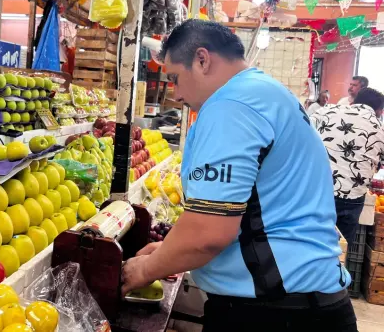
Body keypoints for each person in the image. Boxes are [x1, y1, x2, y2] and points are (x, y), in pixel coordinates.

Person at [121, 20, 355, 331]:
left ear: (202, 60)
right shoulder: (268, 93)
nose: (175, 95)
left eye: (175, 78)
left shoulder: (230, 106)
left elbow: (208, 234)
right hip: (310, 300)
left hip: (275, 312)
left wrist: (146, 269)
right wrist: (168, 252)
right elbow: (259, 206)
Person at [310, 88, 384, 244]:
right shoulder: (380, 128)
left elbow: (302, 131)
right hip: (352, 197)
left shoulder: (327, 111)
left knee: (309, 240)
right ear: (379, 110)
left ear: (354, 101)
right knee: (339, 249)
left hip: (316, 189)